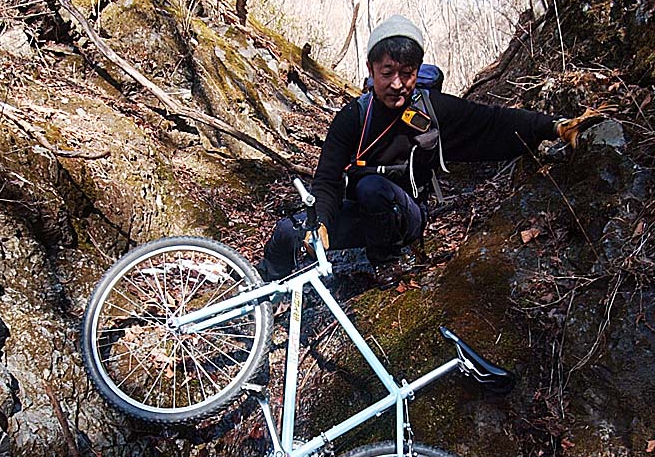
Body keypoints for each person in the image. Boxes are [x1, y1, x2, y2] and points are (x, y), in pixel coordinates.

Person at [258, 15, 602, 286]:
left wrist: (553, 126)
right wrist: (319, 222)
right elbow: (329, 179)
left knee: (371, 187)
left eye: (407, 74)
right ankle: (257, 297)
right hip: (358, 213)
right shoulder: (353, 117)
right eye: (387, 72)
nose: (397, 83)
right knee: (288, 231)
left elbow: (493, 122)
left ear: (417, 72)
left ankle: (386, 263)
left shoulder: (431, 110)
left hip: (405, 216)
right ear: (370, 71)